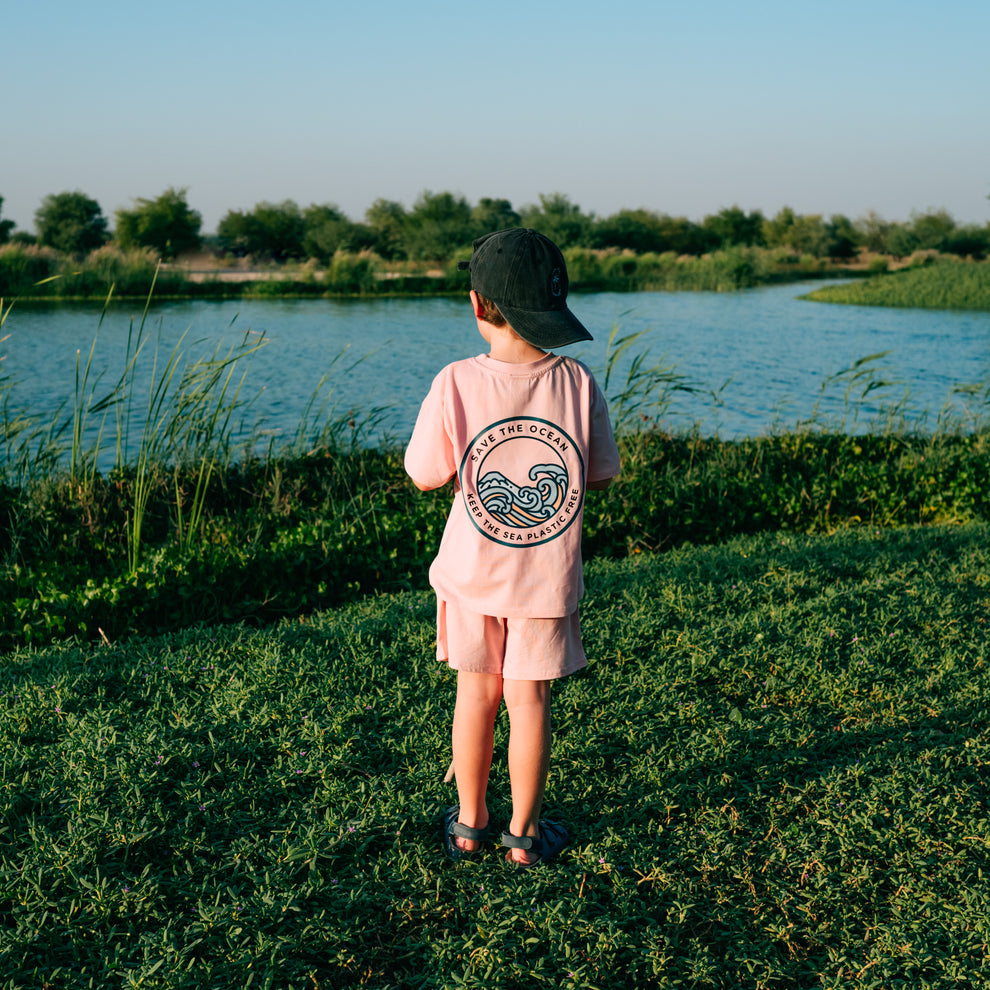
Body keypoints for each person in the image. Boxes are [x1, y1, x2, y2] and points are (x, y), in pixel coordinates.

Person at [404, 227, 620, 868]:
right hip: (545, 581)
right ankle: (523, 837)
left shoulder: (455, 380)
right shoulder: (577, 381)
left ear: (477, 303)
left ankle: (470, 826)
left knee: (476, 696)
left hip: (474, 577)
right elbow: (601, 472)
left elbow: (424, 473)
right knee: (529, 703)